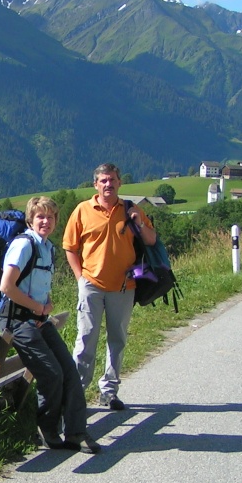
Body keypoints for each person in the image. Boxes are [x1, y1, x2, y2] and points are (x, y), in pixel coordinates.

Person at [0, 197, 100, 454]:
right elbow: (6, 286)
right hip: (17, 320)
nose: (46, 221)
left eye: (51, 217)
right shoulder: (24, 245)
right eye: (40, 217)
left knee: (69, 371)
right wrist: (36, 307)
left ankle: (76, 433)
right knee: (52, 373)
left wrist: (46, 303)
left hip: (38, 318)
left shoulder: (48, 248)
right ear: (30, 220)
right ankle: (47, 429)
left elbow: (37, 282)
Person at [63, 163, 156, 411]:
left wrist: (139, 222)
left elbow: (151, 240)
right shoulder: (82, 210)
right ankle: (77, 394)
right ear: (95, 184)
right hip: (91, 285)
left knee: (117, 339)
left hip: (124, 286)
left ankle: (109, 392)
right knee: (86, 340)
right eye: (103, 180)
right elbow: (70, 248)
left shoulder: (131, 209)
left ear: (119, 183)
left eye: (112, 180)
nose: (108, 184)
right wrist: (80, 278)